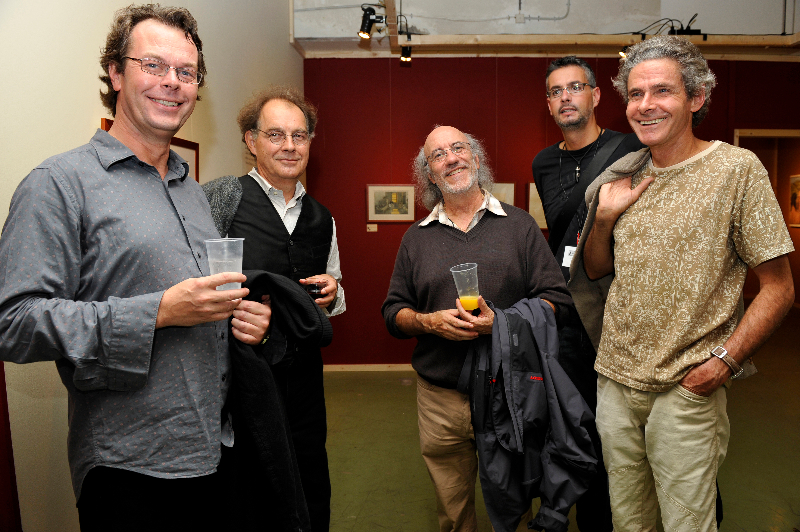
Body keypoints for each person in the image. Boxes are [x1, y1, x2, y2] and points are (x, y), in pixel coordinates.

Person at [0, 5, 271, 531]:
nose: (172, 82)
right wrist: (159, 311)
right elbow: (14, 322)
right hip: (129, 467)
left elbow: (202, 311)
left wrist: (241, 322)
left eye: (186, 72)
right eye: (153, 65)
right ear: (116, 73)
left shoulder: (191, 191)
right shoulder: (59, 183)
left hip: (215, 452)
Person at [571, 35, 795, 532]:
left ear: (696, 98)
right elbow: (595, 270)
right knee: (629, 523)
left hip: (686, 389)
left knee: (687, 525)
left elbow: (779, 288)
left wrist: (724, 363)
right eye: (635, 94)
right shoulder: (624, 174)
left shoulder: (735, 170)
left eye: (662, 91)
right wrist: (604, 216)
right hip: (616, 384)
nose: (645, 105)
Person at [382, 125, 574, 532]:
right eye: (438, 155)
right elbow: (393, 312)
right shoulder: (416, 239)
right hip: (441, 399)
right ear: (430, 174)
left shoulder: (519, 226)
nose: (451, 158)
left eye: (458, 148)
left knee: (515, 503)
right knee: (453, 512)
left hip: (510, 392)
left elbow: (556, 300)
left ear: (476, 157)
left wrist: (499, 324)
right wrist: (428, 322)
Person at [203, 86, 344, 532]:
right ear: (251, 140)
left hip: (305, 381)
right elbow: (192, 286)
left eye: (299, 136)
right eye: (276, 134)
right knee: (252, 487)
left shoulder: (323, 218)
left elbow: (336, 294)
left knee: (308, 478)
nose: (289, 146)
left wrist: (333, 291)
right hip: (244, 381)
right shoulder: (222, 200)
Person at [531, 55, 645, 532]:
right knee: (576, 423)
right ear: (549, 104)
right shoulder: (543, 162)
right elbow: (560, 230)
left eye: (575, 87)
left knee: (624, 424)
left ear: (596, 96)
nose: (566, 97)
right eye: (556, 91)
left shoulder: (631, 147)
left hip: (615, 304)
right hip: (567, 310)